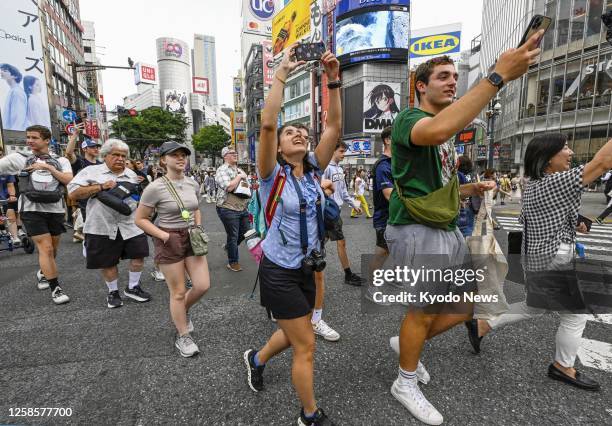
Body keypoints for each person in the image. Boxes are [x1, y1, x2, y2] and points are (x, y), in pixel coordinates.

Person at [386, 31, 541, 425]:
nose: (452, 80)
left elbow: (437, 183)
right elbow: (434, 132)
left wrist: (471, 187)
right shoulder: (410, 119)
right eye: (442, 76)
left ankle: (408, 343)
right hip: (417, 230)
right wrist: (496, 76)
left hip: (445, 226)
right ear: (420, 86)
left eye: (455, 75)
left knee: (467, 305)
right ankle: (405, 381)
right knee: (422, 310)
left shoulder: (444, 132)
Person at [242, 44, 341, 426]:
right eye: (291, 133)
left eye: (302, 131)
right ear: (280, 147)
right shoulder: (271, 176)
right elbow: (267, 124)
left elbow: (332, 127)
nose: (299, 135)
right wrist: (281, 72)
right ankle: (309, 415)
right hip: (279, 269)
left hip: (308, 268)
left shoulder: (315, 173)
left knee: (292, 330)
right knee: (306, 345)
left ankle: (256, 359)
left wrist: (333, 78)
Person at [466, 132, 609, 392]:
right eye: (565, 148)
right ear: (547, 159)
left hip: (537, 258)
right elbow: (602, 163)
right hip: (552, 258)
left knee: (534, 307)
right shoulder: (556, 182)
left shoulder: (535, 184)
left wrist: (573, 219)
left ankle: (483, 324)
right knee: (575, 316)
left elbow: (548, 213)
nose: (571, 153)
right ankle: (563, 366)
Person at [135, 141, 210, 357]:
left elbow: (196, 208)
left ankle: (181, 312)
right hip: (168, 237)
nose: (181, 159)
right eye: (174, 155)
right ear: (163, 160)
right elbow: (140, 219)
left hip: (191, 236)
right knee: (177, 292)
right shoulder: (155, 187)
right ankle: (183, 335)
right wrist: (164, 236)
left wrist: (197, 225)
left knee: (202, 285)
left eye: (183, 155)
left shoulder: (193, 183)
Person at [68, 139, 151, 309]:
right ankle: (113, 292)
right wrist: (100, 186)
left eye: (123, 156)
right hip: (101, 225)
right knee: (108, 262)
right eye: (116, 155)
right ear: (105, 156)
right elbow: (73, 193)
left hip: (130, 224)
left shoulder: (132, 175)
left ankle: (133, 287)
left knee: (138, 256)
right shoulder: (91, 171)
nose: (120, 159)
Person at [0, 125, 74, 304]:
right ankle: (55, 288)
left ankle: (43, 272)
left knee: (53, 251)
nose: (30, 141)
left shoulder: (61, 160)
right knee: (46, 249)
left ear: (47, 140)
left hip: (55, 210)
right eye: (28, 137)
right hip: (31, 209)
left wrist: (48, 168)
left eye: (34, 137)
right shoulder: (19, 158)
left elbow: (69, 180)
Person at [323, 142, 366, 286]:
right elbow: (322, 190)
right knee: (341, 241)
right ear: (332, 151)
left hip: (336, 211)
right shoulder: (326, 168)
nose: (343, 155)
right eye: (341, 151)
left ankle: (306, 264)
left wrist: (354, 204)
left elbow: (343, 192)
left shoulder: (340, 170)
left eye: (344, 152)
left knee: (321, 241)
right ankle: (348, 275)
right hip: (329, 211)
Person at [215, 146, 251, 272]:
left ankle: (229, 247)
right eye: (232, 153)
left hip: (242, 207)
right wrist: (241, 177)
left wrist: (244, 177)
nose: (235, 154)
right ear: (225, 156)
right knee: (233, 235)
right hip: (227, 207)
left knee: (248, 233)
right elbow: (228, 187)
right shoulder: (221, 170)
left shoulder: (239, 170)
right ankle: (233, 261)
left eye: (236, 152)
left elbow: (247, 187)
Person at [65, 127, 100, 242]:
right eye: (92, 147)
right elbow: (69, 153)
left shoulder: (101, 164)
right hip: (85, 199)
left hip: (101, 198)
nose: (96, 149)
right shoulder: (80, 162)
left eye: (97, 147)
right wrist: (75, 135)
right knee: (91, 227)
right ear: (84, 149)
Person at [0, 63, 27, 131]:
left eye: (5, 71)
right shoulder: (13, 91)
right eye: (1, 70)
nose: (1, 72)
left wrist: (13, 137)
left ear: (14, 76)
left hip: (12, 136)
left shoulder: (17, 92)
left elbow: (18, 118)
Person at [457, 155, 476, 237]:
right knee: (468, 228)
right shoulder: (471, 176)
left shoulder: (458, 174)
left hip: (461, 205)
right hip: (469, 205)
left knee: (461, 229)